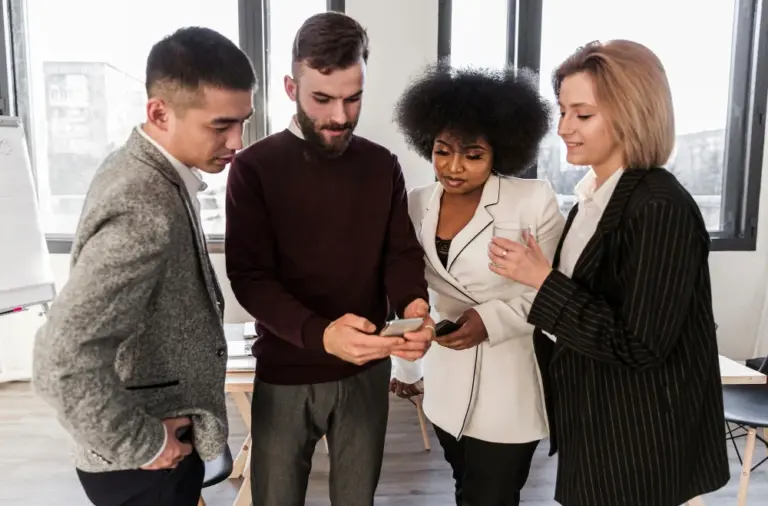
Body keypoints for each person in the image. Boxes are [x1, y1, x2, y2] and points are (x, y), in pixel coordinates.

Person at [488, 40, 730, 506]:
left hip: (638, 445)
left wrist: (542, 281)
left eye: (582, 115)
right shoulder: (594, 199)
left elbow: (639, 343)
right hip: (596, 428)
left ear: (631, 113)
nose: (563, 128)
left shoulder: (660, 207)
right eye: (562, 112)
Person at [31, 27, 256, 506]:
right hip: (145, 462)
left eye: (243, 121)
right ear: (159, 112)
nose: (237, 141)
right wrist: (142, 443)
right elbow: (61, 360)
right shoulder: (143, 203)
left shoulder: (151, 170)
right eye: (220, 126)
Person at [224, 12, 434, 506]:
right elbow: (251, 279)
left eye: (353, 97)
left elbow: (399, 253)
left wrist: (414, 307)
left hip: (366, 372)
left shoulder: (381, 166)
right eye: (322, 99)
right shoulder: (254, 169)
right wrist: (321, 334)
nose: (340, 115)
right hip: (285, 372)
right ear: (290, 86)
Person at [389, 63, 565, 506]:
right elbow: (411, 287)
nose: (453, 167)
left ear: (499, 152)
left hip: (510, 383)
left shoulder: (533, 200)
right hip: (446, 379)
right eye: (442, 151)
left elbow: (554, 291)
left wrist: (490, 320)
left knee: (492, 495)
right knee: (465, 485)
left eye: (472, 155)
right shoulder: (416, 204)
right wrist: (406, 368)